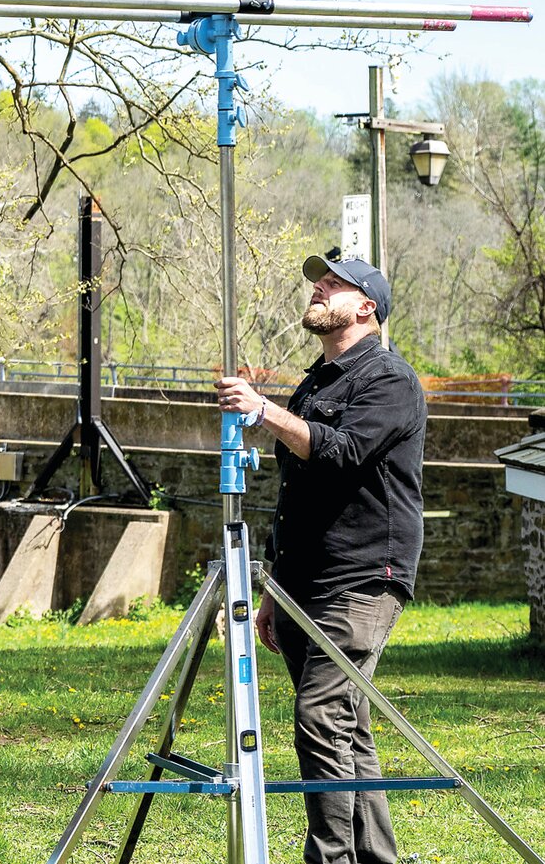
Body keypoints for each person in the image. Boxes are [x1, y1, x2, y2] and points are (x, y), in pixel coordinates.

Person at [216, 256, 425, 864]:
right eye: (317, 280)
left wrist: (263, 411)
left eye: (333, 283)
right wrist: (274, 591)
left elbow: (341, 452)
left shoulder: (390, 381)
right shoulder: (316, 383)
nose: (318, 288)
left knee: (320, 713)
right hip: (303, 582)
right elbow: (297, 496)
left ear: (367, 307)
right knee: (346, 728)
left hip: (363, 577)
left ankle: (328, 859)